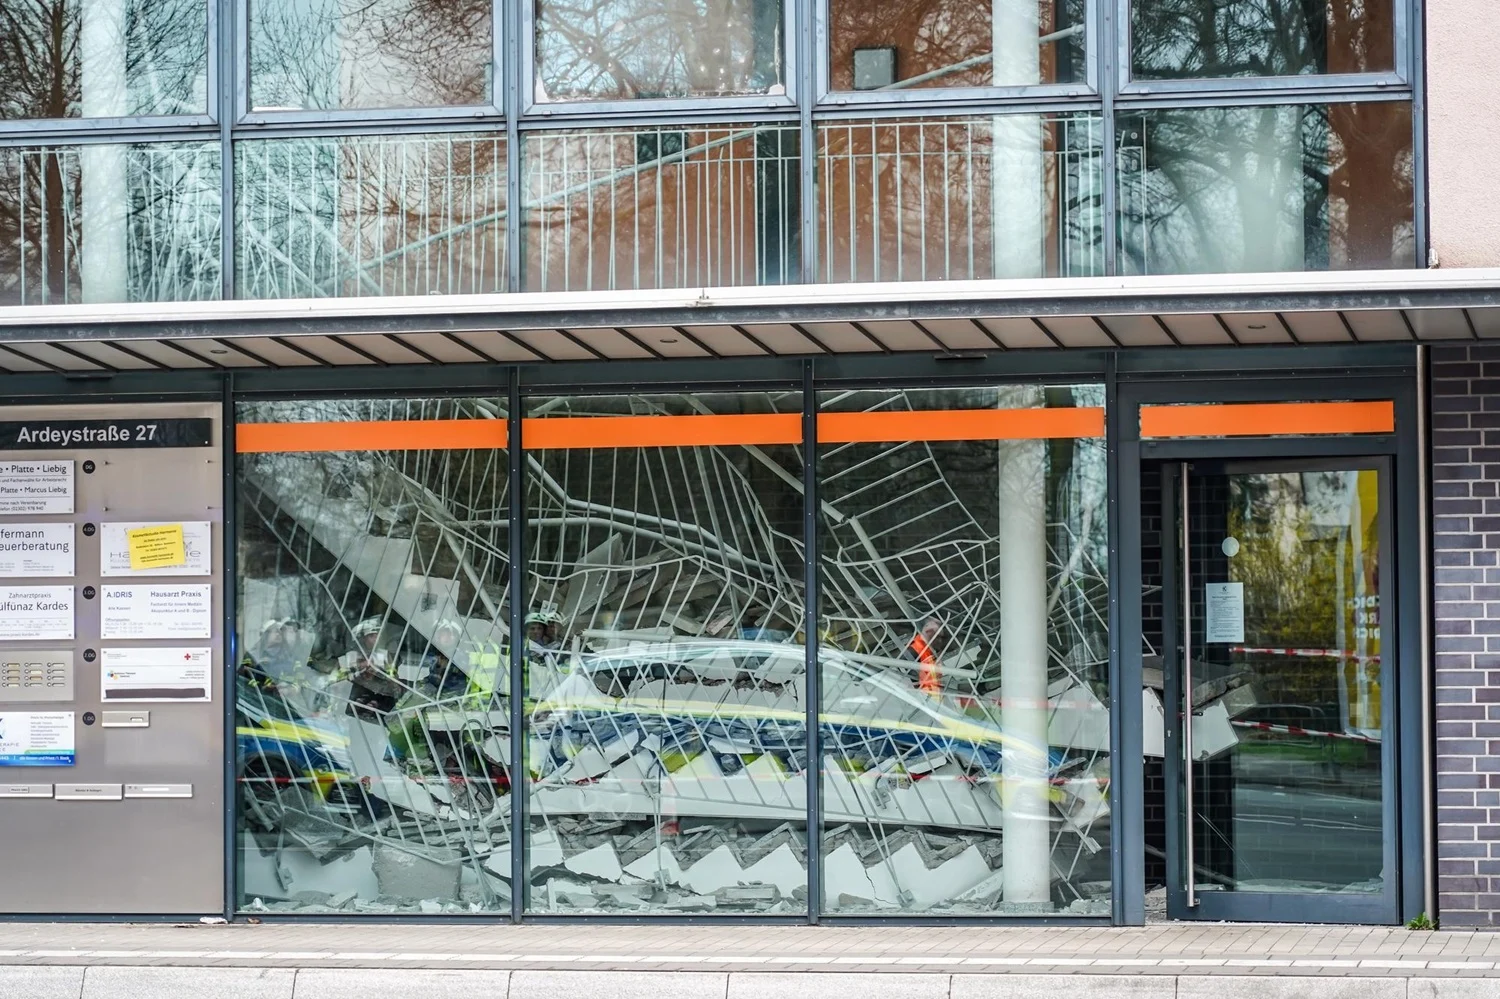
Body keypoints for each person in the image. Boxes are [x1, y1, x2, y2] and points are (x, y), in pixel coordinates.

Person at [340, 616, 404, 720]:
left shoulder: (384, 655)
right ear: (364, 638)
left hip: (382, 693)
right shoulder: (353, 654)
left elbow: (392, 675)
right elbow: (342, 673)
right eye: (371, 636)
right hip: (355, 692)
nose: (375, 638)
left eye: (377, 635)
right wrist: (360, 666)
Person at [907, 616, 946, 695]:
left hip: (935, 691)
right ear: (927, 629)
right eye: (937, 635)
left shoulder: (929, 648)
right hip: (928, 694)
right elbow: (915, 683)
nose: (940, 640)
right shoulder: (913, 651)